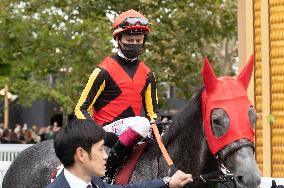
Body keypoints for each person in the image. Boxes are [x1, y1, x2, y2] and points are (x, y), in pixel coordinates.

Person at [74, 9, 159, 182]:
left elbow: (152, 115)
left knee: (152, 127)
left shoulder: (148, 74)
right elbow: (80, 108)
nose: (134, 44)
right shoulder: (103, 70)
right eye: (129, 40)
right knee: (142, 123)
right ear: (118, 39)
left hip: (133, 132)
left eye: (138, 40)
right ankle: (108, 171)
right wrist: (99, 133)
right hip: (105, 131)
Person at [46, 119, 193, 188]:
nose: (105, 156)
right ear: (81, 154)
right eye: (100, 149)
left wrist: (168, 182)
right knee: (142, 123)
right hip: (109, 126)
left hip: (123, 128)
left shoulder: (95, 183)